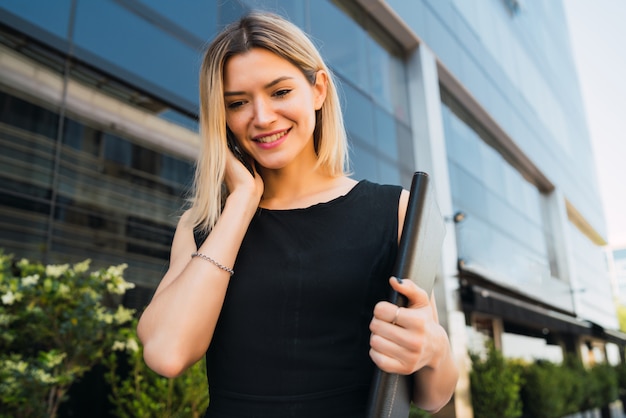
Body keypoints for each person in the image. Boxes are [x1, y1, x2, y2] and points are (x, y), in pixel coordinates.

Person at [137, 11, 458, 418]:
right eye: (238, 103)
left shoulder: (393, 210)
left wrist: (434, 348)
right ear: (223, 118)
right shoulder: (203, 226)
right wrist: (240, 202)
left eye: (280, 92)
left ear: (318, 89)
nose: (262, 116)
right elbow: (167, 354)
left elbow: (432, 397)